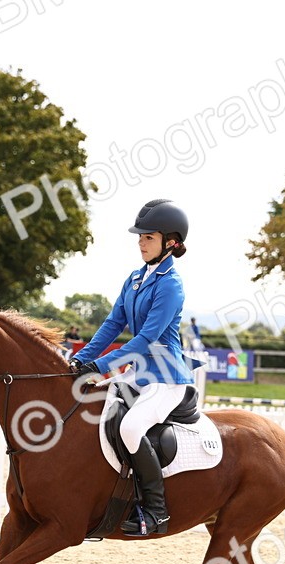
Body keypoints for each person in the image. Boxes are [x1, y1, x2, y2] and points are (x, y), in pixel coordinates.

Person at [69, 199, 193, 535]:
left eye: (148, 237)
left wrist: (101, 365)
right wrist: (81, 358)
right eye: (139, 237)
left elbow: (147, 339)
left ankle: (156, 510)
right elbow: (112, 325)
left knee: (130, 427)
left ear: (171, 242)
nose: (140, 242)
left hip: (165, 376)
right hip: (137, 373)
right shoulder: (136, 278)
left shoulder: (171, 285)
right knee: (94, 413)